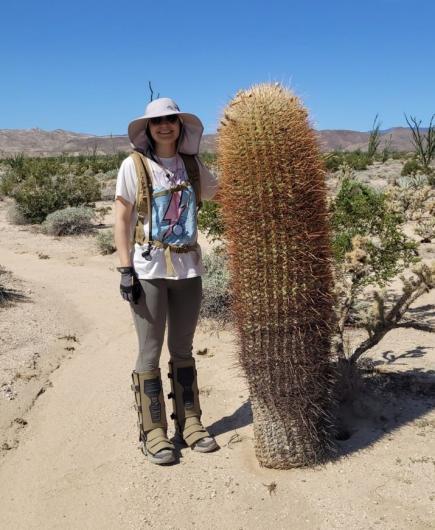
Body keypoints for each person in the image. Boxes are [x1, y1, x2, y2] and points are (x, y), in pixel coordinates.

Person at [114, 97, 219, 465]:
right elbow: (123, 219)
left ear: (179, 126)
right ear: (148, 129)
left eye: (170, 120)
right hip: (149, 270)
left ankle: (190, 423)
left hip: (189, 269)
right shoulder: (135, 166)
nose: (164, 126)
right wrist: (126, 269)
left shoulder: (192, 166)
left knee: (183, 349)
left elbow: (220, 193)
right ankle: (153, 431)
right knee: (150, 349)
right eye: (156, 121)